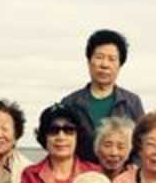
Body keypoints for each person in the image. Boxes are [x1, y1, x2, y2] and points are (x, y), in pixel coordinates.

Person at [61, 29, 145, 162]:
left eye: (112, 59)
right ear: (89, 61)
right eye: (99, 57)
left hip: (121, 177)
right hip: (82, 178)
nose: (104, 64)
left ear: (120, 65)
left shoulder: (132, 102)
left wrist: (133, 170)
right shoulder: (70, 103)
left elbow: (142, 144)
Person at [15, 104, 99, 183]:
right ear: (44, 137)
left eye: (69, 130)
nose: (61, 137)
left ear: (78, 136)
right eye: (53, 130)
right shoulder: (30, 175)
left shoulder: (94, 173)